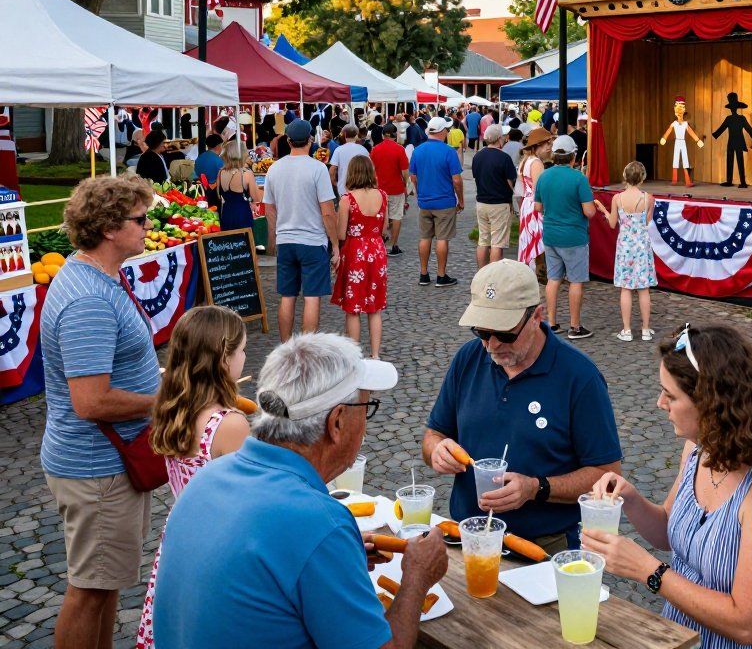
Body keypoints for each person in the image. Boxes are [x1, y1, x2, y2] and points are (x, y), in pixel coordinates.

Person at [154, 334, 448, 649]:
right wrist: (417, 577)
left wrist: (332, 559)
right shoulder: (320, 524)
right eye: (368, 407)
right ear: (337, 423)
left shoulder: (206, 479)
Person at [582, 324, 752, 649]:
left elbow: (747, 624)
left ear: (712, 404)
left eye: (671, 395)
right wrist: (630, 497)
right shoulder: (700, 447)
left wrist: (647, 569)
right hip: (683, 637)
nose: (659, 403)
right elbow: (668, 531)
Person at [423, 259, 623, 553]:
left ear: (536, 316)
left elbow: (608, 476)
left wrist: (536, 488)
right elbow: (433, 435)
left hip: (541, 546)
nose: (491, 345)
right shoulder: (468, 359)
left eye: (504, 334)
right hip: (467, 536)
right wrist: (436, 451)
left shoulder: (579, 377)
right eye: (481, 332)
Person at [40, 175, 160, 649]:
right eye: (139, 219)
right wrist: (166, 400)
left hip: (108, 464)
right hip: (98, 467)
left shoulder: (97, 275)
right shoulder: (89, 297)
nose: (148, 225)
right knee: (89, 590)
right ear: (110, 227)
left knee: (104, 583)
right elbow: (89, 401)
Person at [137, 306, 249, 649]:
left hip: (182, 539)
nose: (246, 356)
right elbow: (250, 501)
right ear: (222, 359)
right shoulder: (229, 425)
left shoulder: (175, 408)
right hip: (222, 545)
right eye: (242, 350)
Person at [263, 119, 340, 342]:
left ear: (288, 141)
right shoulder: (317, 168)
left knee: (287, 297)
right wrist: (335, 245)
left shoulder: (274, 169)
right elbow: (327, 211)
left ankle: (285, 347)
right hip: (313, 241)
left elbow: (269, 209)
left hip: (286, 239)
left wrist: (275, 237)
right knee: (312, 297)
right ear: (310, 140)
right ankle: (307, 348)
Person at [534, 134, 596, 340]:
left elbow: (538, 207)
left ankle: (551, 323)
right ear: (573, 157)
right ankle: (575, 327)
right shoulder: (579, 178)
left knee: (553, 279)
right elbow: (589, 212)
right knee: (576, 281)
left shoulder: (544, 176)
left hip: (551, 235)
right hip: (573, 237)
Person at [332, 156, 388, 359]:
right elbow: (384, 227)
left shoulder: (347, 199)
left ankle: (355, 355)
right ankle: (375, 354)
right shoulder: (383, 195)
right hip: (376, 250)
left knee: (353, 307)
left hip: (355, 251)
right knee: (375, 307)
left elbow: (340, 233)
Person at [596, 161, 656, 342]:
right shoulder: (649, 198)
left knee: (626, 288)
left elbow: (613, 223)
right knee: (644, 288)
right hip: (642, 245)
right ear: (643, 178)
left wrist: (603, 210)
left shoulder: (617, 198)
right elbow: (646, 222)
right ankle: (645, 329)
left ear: (625, 177)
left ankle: (627, 330)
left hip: (625, 247)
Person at [409, 117, 464, 288]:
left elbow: (413, 177)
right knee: (442, 239)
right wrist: (460, 200)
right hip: (444, 201)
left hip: (425, 202)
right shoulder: (449, 152)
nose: (448, 132)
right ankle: (441, 275)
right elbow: (456, 180)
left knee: (425, 237)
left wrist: (419, 194)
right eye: (447, 129)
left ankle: (423, 274)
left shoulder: (418, 151)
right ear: (441, 132)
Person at [472, 124, 518, 270]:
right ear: (499, 139)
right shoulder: (504, 158)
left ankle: (481, 273)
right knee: (497, 242)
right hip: (499, 203)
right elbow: (511, 182)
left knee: (483, 240)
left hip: (481, 202)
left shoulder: (477, 156)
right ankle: (493, 275)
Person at [371, 122, 411, 256]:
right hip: (396, 188)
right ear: (395, 135)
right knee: (396, 216)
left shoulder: (375, 149)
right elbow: (405, 172)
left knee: (381, 216)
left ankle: (380, 242)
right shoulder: (399, 149)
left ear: (383, 135)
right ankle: (393, 245)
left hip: (379, 189)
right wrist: (406, 185)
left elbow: (372, 170)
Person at [517, 127, 552, 272]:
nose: (550, 147)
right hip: (534, 205)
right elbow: (540, 189)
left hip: (527, 203)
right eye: (547, 144)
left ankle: (536, 270)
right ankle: (538, 271)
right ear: (539, 145)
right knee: (537, 238)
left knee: (532, 239)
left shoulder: (526, 160)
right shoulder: (536, 163)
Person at [217, 144, 263, 234]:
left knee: (229, 243)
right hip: (242, 215)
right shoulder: (247, 173)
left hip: (226, 214)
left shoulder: (220, 172)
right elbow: (256, 198)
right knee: (245, 244)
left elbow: (219, 195)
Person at [329, 123, 370, 196]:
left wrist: (335, 183)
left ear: (344, 134)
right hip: (361, 189)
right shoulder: (363, 150)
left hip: (343, 189)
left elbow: (332, 170)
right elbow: (370, 169)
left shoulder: (339, 150)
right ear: (357, 135)